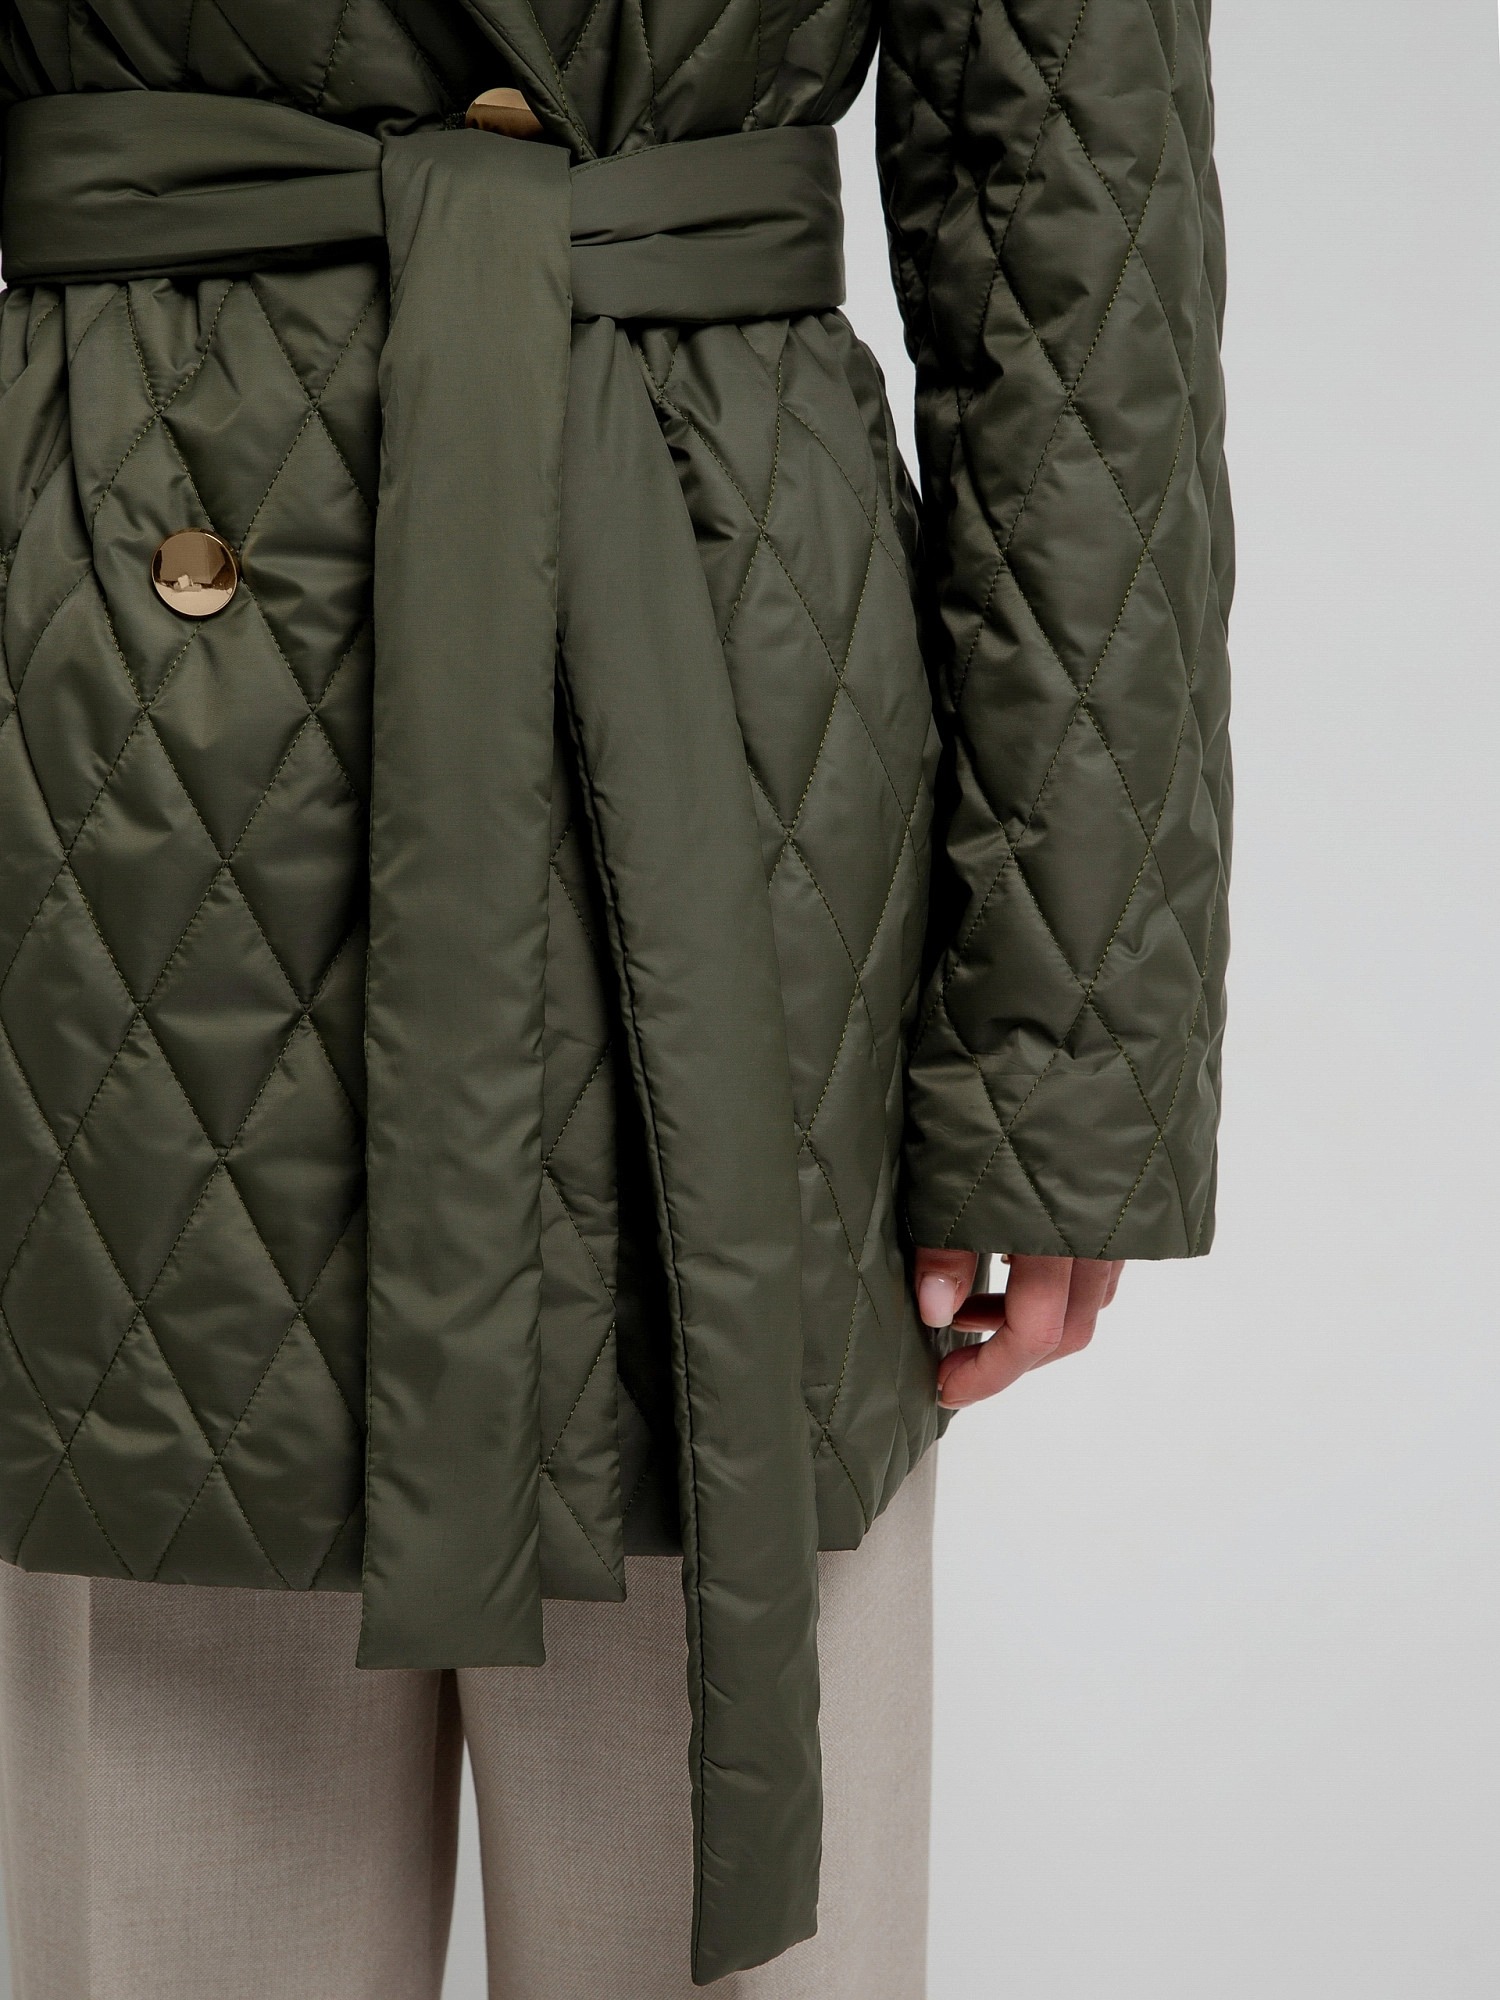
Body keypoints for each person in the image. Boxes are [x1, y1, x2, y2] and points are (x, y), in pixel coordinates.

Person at [0, 1, 1230, 1994]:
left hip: (724, 750)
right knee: (169, 1893)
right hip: (120, 785)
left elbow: (1079, 272)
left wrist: (1064, 1051)